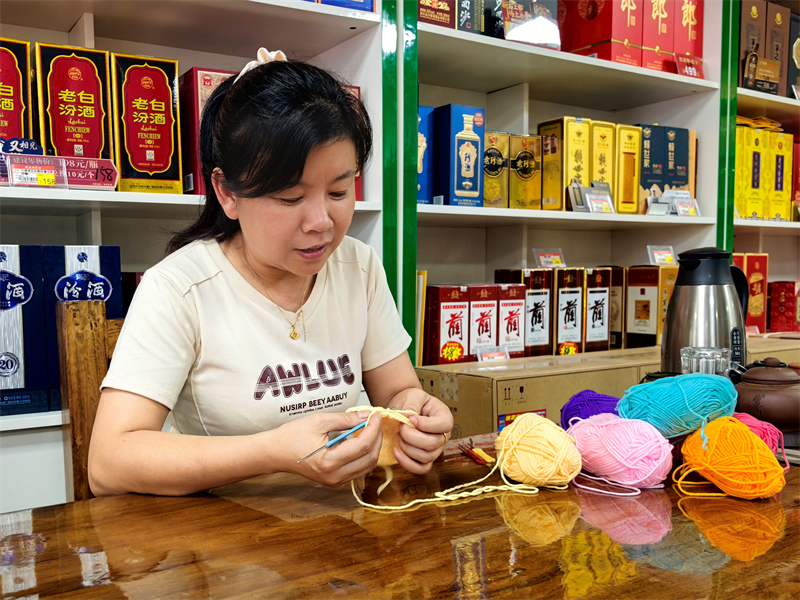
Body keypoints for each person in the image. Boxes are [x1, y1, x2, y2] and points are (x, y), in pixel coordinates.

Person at [89, 49, 453, 497]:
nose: (321, 221)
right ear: (227, 193)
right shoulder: (180, 289)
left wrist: (415, 414)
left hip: (348, 534)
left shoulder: (357, 266)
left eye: (340, 190)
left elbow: (398, 391)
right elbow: (108, 463)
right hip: (222, 545)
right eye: (289, 198)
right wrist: (274, 452)